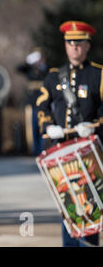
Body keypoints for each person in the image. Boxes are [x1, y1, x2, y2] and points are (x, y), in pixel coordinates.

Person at [36, 20, 101, 247]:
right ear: (65, 45)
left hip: (87, 153)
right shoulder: (54, 77)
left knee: (89, 205)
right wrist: (47, 127)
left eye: (79, 43)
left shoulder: (98, 75)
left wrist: (94, 126)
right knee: (67, 206)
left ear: (87, 46)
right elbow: (42, 107)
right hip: (60, 152)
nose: (74, 48)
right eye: (70, 43)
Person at [17, 49, 48, 155]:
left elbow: (48, 72)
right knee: (32, 127)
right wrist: (29, 62)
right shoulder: (29, 69)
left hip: (42, 102)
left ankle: (41, 149)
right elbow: (19, 68)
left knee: (42, 126)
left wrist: (41, 65)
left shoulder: (44, 69)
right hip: (31, 103)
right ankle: (34, 150)